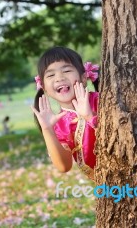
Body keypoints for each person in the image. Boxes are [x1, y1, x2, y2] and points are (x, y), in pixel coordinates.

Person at [30, 47, 99, 181]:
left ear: (84, 78)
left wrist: (90, 117)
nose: (59, 78)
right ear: (44, 88)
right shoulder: (59, 125)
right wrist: (47, 129)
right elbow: (64, 166)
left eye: (66, 70)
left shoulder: (103, 100)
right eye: (51, 75)